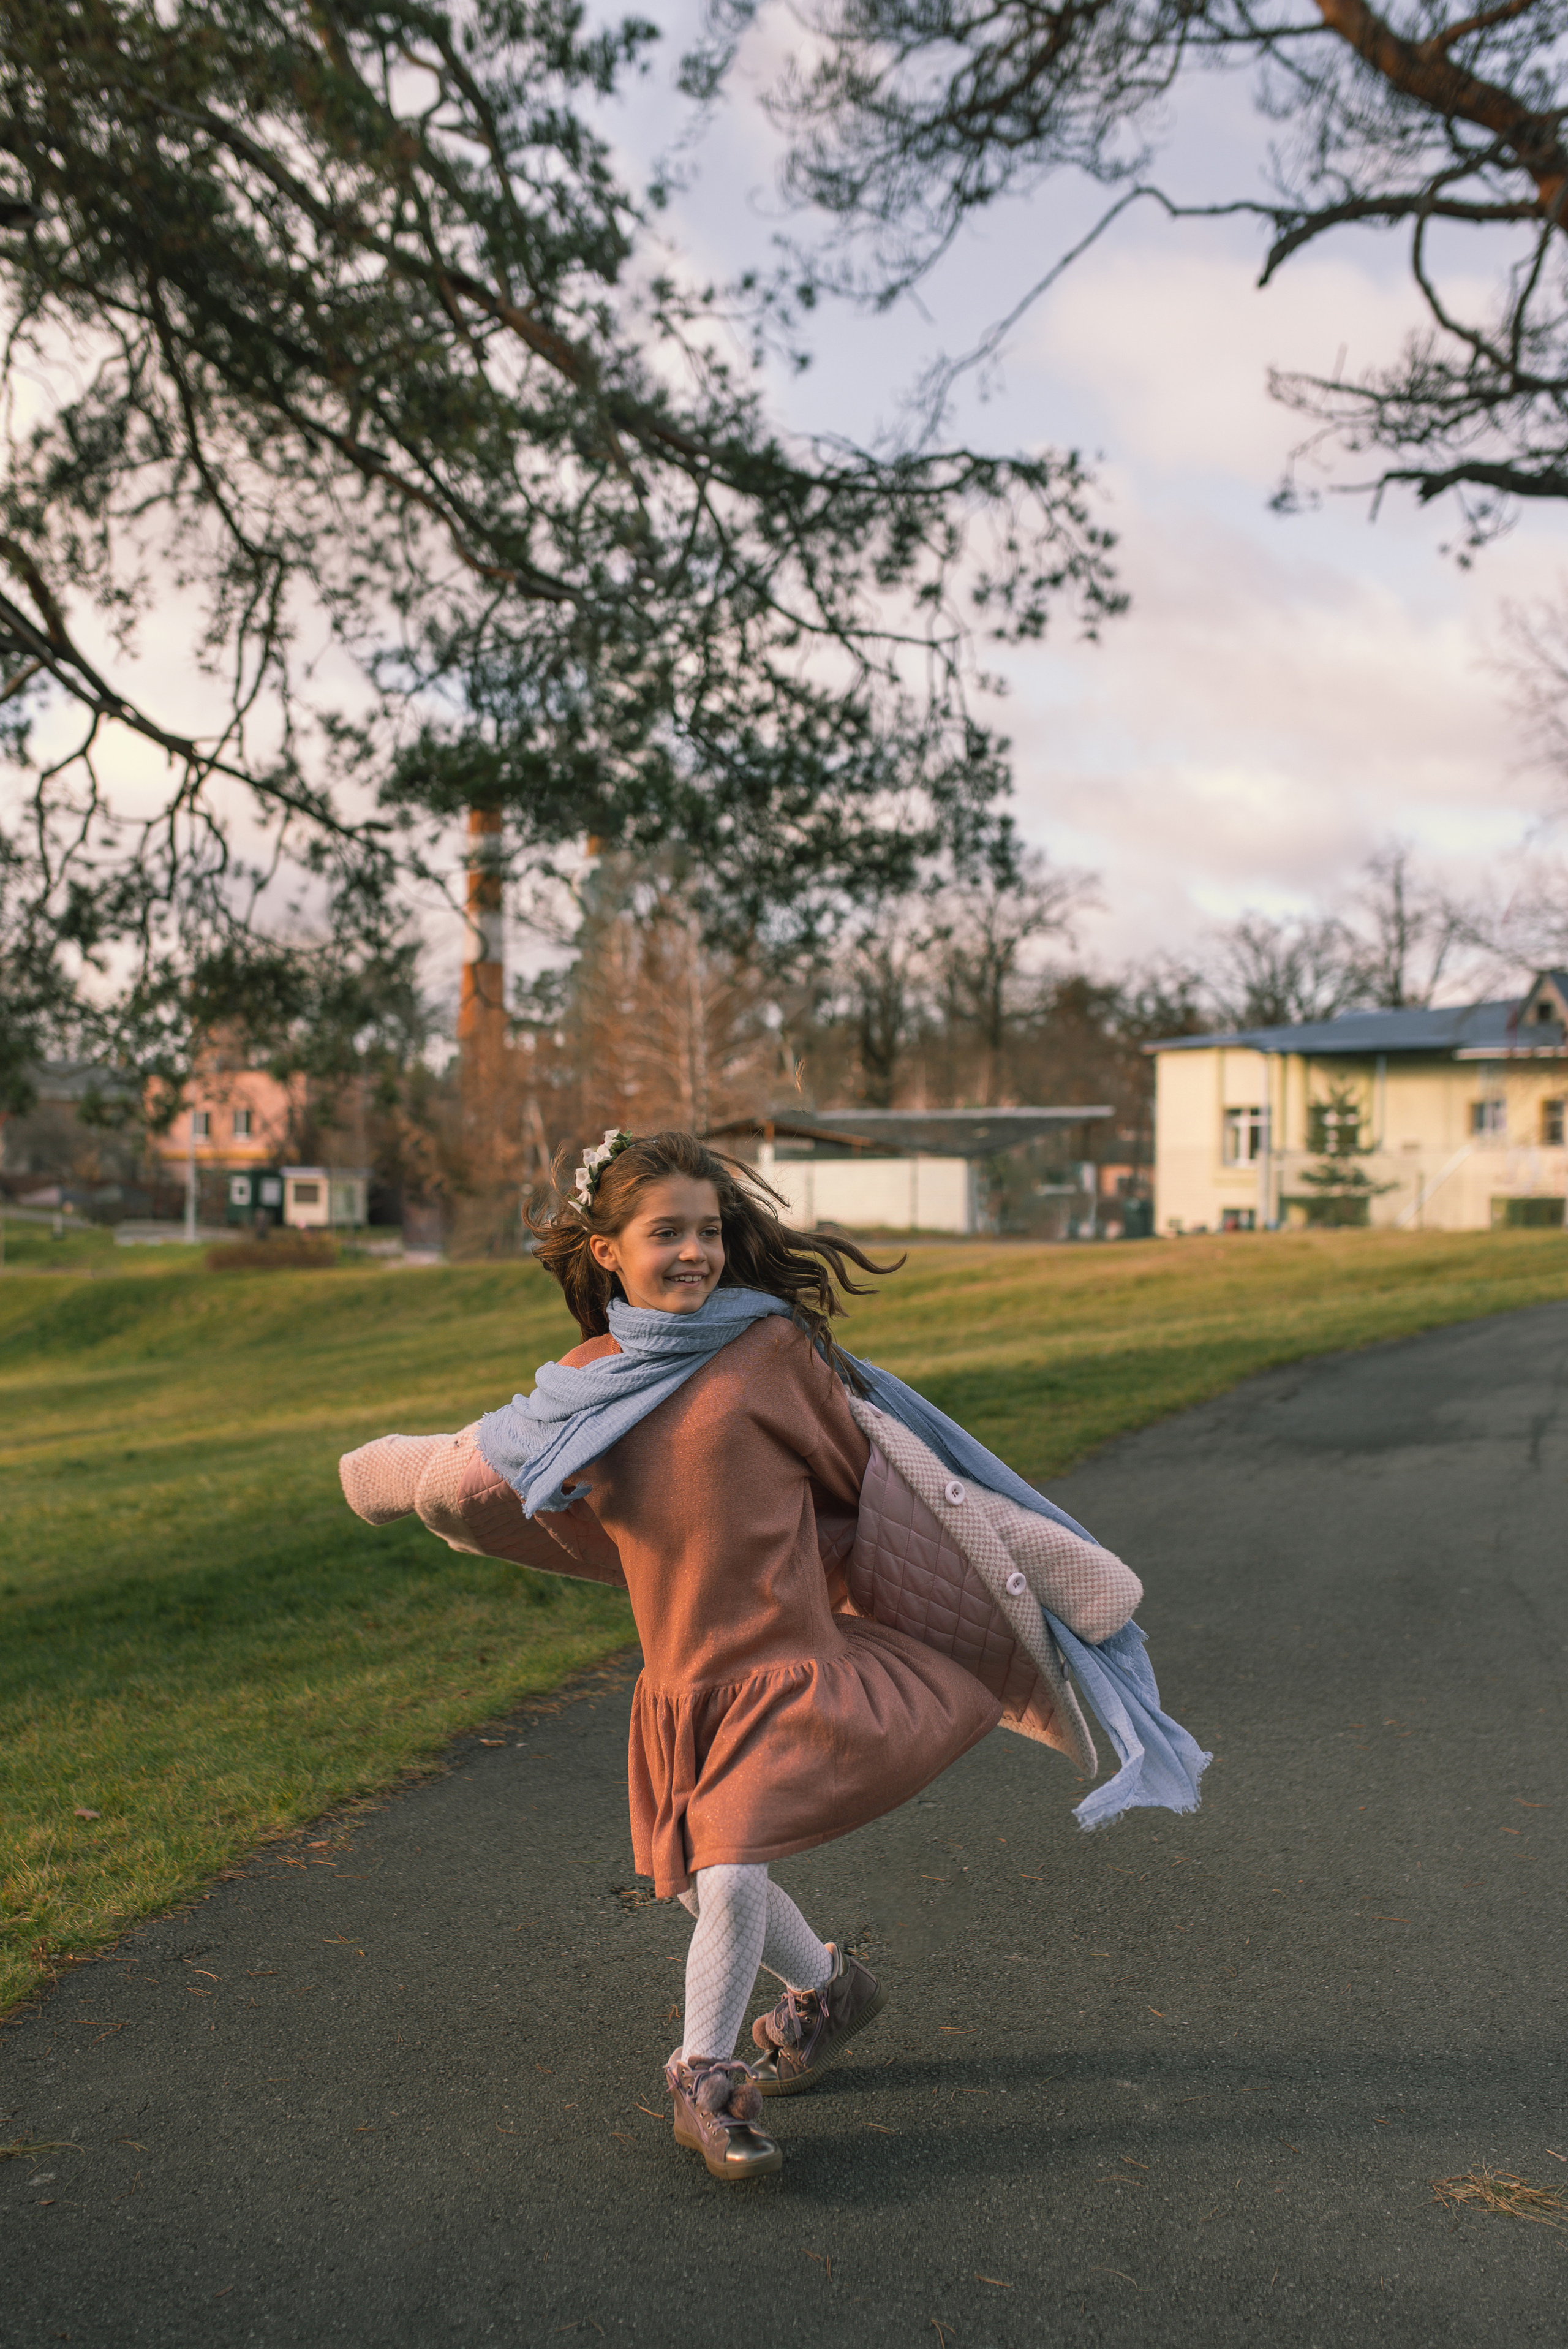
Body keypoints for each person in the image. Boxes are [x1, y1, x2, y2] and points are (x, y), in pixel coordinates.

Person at [338, 1127, 1209, 2185]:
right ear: (607, 1249)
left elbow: (894, 1478)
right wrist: (377, 1476)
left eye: (709, 1230)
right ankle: (833, 1989)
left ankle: (704, 2083)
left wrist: (1034, 1562)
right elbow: (473, 1469)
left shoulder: (773, 1354)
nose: (697, 1252)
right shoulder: (583, 1390)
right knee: (710, 1884)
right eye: (668, 1233)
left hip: (793, 1671)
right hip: (683, 1684)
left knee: (733, 1868)